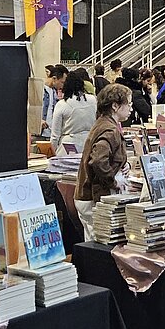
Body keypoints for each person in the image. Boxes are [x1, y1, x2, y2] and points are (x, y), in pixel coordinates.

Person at [74, 84, 132, 241]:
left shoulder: (103, 123)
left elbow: (106, 156)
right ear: (115, 106)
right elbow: (98, 160)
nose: (131, 108)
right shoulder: (109, 130)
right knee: (98, 242)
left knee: (92, 241)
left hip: (87, 194)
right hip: (94, 197)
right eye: (128, 104)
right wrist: (113, 181)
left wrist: (124, 165)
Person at [50, 72, 97, 155]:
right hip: (89, 143)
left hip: (68, 145)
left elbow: (55, 135)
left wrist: (52, 151)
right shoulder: (93, 100)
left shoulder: (62, 104)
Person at [42, 64, 68, 137]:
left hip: (51, 133)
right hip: (39, 133)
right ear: (54, 78)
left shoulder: (54, 92)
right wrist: (38, 120)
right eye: (62, 82)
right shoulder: (40, 89)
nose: (63, 85)